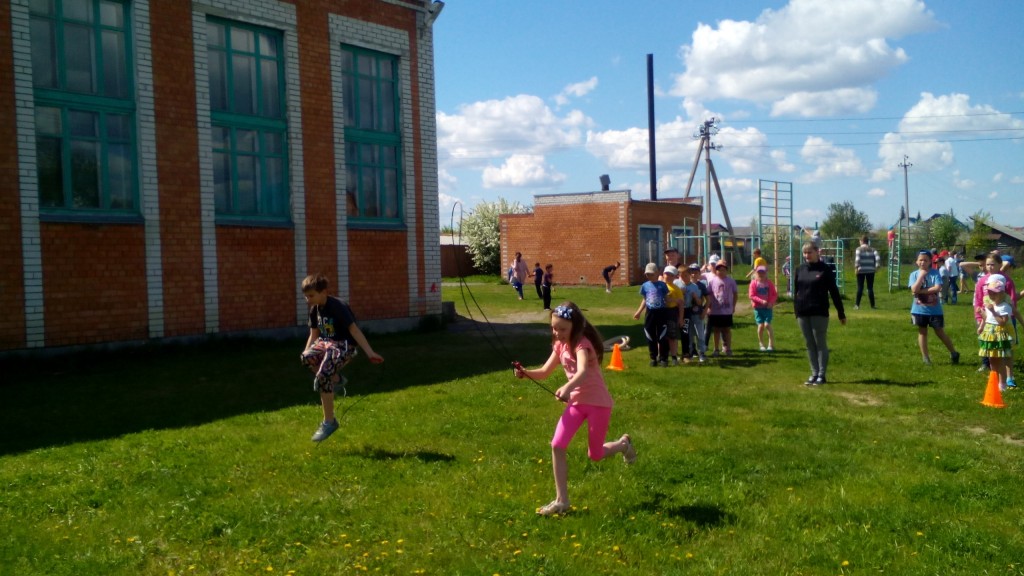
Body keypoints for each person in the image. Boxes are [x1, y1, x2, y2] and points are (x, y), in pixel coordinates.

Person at [513, 301, 637, 516]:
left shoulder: (582, 345)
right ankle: (562, 501)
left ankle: (623, 445)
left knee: (595, 455)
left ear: (575, 327)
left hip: (598, 404)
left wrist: (567, 387)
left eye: (562, 329)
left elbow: (582, 372)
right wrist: (526, 373)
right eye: (554, 328)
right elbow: (544, 371)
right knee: (557, 445)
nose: (557, 333)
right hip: (577, 404)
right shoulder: (559, 345)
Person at [300, 273, 384, 443]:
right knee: (305, 358)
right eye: (306, 296)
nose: (308, 300)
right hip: (326, 343)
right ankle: (336, 380)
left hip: (344, 346)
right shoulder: (315, 309)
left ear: (324, 292)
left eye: (311, 296)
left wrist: (370, 352)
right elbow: (314, 334)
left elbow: (354, 330)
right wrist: (307, 353)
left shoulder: (338, 306)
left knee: (323, 376)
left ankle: (329, 422)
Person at [793, 242, 846, 386]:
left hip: (819, 311)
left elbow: (834, 292)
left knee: (820, 342)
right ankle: (814, 373)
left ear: (817, 252)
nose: (807, 255)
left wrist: (841, 313)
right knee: (809, 343)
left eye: (809, 252)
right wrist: (796, 310)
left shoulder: (825, 269)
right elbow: (796, 291)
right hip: (803, 312)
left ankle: (822, 375)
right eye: (805, 253)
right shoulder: (800, 269)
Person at [908, 251, 961, 366]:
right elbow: (913, 288)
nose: (923, 262)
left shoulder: (935, 273)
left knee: (939, 332)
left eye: (925, 260)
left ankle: (953, 352)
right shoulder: (914, 275)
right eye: (920, 260)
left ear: (930, 262)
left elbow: (937, 288)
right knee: (922, 332)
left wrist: (920, 291)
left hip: (934, 310)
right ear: (916, 262)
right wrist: (921, 276)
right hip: (919, 310)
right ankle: (925, 357)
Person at [978, 278, 1014, 390]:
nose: (992, 295)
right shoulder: (990, 304)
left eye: (995, 293)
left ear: (1002, 293)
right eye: (990, 293)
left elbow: (1002, 322)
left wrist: (993, 311)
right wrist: (982, 314)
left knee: (999, 360)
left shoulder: (1004, 306)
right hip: (989, 333)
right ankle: (994, 381)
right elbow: (987, 318)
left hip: (998, 333)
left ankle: (1002, 384)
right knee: (992, 360)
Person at [633, 262, 670, 367]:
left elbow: (666, 299)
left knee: (662, 336)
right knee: (650, 335)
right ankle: (653, 357)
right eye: (647, 274)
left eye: (651, 274)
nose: (649, 276)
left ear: (657, 273)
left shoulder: (662, 285)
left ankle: (663, 358)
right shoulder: (645, 286)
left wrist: (672, 308)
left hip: (661, 312)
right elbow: (645, 300)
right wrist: (638, 312)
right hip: (650, 313)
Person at [707, 261, 738, 356]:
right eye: (719, 270)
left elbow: (735, 294)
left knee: (727, 330)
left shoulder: (731, 281)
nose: (721, 272)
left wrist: (733, 306)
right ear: (716, 271)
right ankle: (716, 349)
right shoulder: (712, 282)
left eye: (723, 270)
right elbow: (708, 295)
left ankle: (728, 349)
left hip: (727, 311)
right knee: (716, 330)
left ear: (726, 271)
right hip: (715, 311)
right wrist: (709, 307)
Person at [682, 263, 709, 363]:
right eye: (691, 272)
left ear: (699, 274)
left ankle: (702, 353)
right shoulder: (684, 285)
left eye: (696, 272)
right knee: (689, 334)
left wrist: (704, 311)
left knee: (699, 334)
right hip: (687, 313)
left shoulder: (701, 285)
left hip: (698, 313)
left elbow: (708, 300)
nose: (693, 274)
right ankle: (691, 352)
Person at [749, 265, 778, 352]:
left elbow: (774, 295)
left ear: (766, 273)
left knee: (767, 325)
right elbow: (751, 295)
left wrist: (771, 303)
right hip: (758, 308)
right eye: (759, 272)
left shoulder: (769, 283)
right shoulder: (753, 283)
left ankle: (771, 344)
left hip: (767, 308)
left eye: (763, 272)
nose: (761, 274)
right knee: (760, 326)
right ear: (756, 273)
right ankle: (761, 343)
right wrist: (761, 301)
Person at [662, 266, 684, 365]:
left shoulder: (676, 289)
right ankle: (661, 355)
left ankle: (674, 356)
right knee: (661, 335)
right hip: (661, 312)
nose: (668, 277)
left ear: (675, 277)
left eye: (671, 275)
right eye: (667, 274)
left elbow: (681, 304)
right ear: (663, 274)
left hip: (672, 312)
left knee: (672, 336)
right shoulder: (660, 286)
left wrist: (681, 318)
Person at [854, 235, 880, 310]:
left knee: (860, 288)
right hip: (871, 270)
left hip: (861, 270)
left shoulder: (859, 249)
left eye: (860, 241)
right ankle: (873, 305)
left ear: (862, 241)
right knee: (870, 288)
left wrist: (856, 267)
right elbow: (878, 258)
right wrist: (877, 266)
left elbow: (857, 259)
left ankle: (857, 305)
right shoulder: (873, 249)